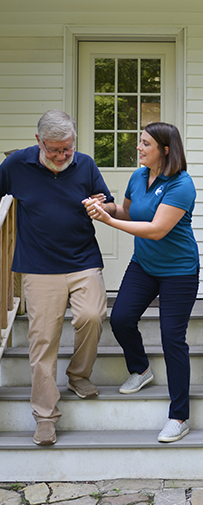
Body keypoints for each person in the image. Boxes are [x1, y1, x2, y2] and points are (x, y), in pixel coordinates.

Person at [0, 109, 116, 445]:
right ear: (39, 141)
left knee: (92, 316)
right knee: (43, 341)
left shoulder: (85, 164)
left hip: (83, 261)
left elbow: (106, 203)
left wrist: (101, 207)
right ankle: (45, 416)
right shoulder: (16, 166)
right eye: (54, 149)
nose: (63, 155)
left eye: (67, 148)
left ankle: (78, 375)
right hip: (38, 266)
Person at [83, 122, 199, 443]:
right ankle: (141, 369)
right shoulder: (137, 176)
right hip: (144, 265)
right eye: (139, 142)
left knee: (172, 339)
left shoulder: (181, 184)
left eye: (145, 143)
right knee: (120, 318)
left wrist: (110, 221)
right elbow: (129, 211)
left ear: (164, 149)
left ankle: (179, 417)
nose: (139, 147)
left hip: (179, 271)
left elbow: (157, 228)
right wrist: (103, 206)